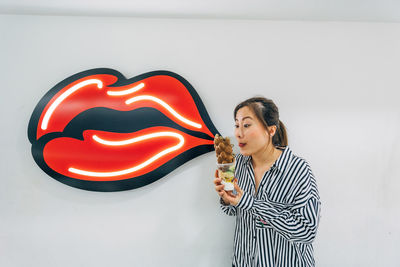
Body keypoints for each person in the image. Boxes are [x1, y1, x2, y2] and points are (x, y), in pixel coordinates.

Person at [214, 96, 321, 267]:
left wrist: (248, 202)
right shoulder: (238, 164)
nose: (238, 133)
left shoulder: (297, 170)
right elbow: (235, 212)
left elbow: (307, 232)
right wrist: (227, 199)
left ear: (271, 130)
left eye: (247, 125)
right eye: (237, 125)